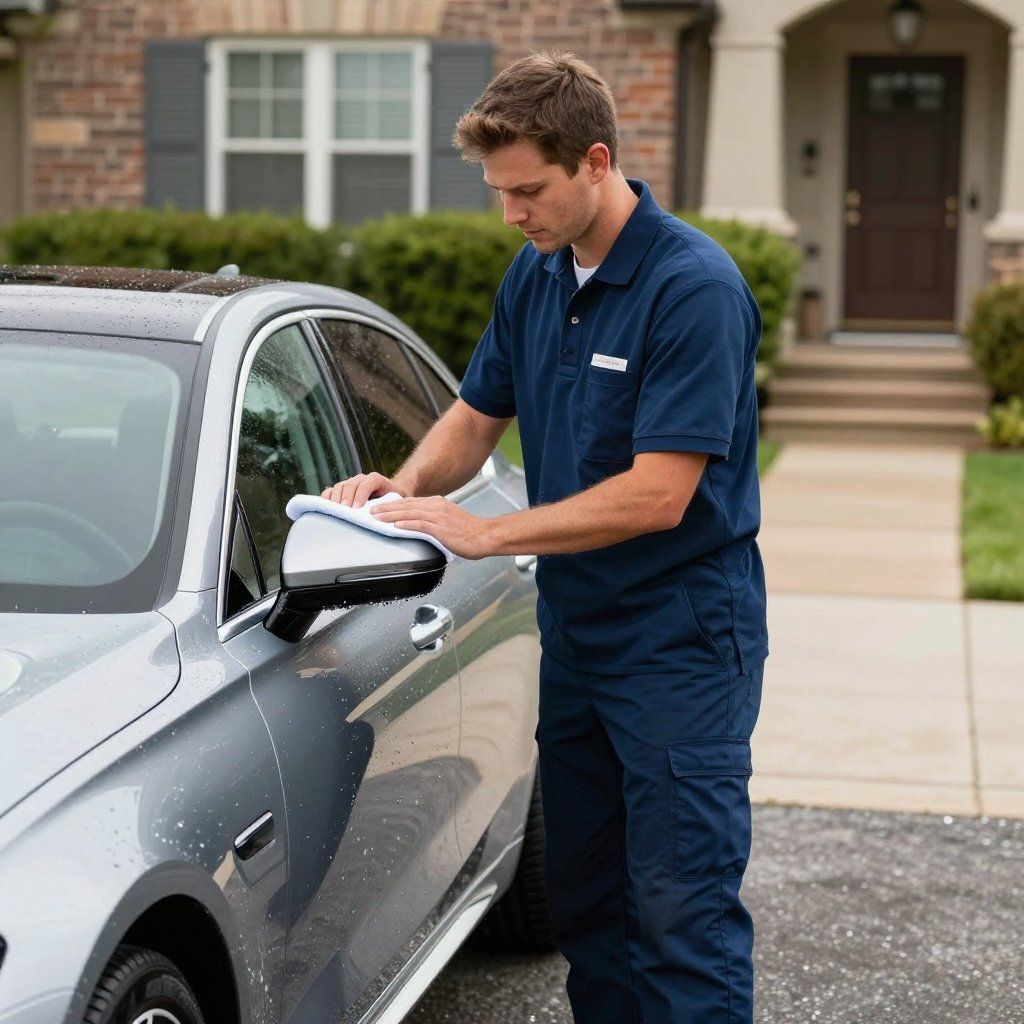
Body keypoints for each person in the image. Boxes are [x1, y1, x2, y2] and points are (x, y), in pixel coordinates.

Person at [321, 50, 769, 1024]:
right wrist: (403, 488)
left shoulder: (691, 287)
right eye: (499, 191)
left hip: (681, 640)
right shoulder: (536, 274)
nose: (510, 214)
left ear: (595, 162)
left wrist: (486, 535)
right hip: (577, 635)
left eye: (528, 191)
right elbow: (475, 416)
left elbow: (659, 494)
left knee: (679, 912)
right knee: (589, 903)